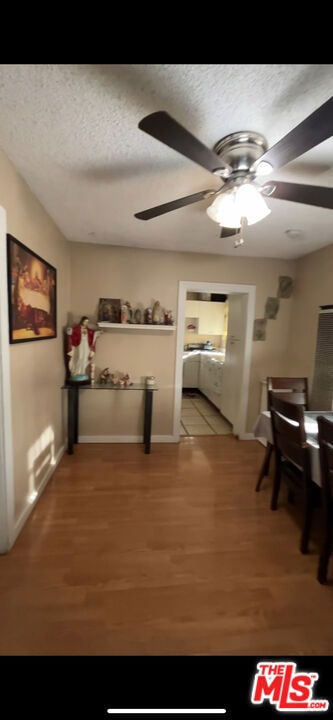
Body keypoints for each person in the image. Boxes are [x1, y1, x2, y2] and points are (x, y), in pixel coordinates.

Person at [66, 316, 101, 382]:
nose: (86, 323)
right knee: (80, 357)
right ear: (82, 321)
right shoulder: (77, 329)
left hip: (86, 345)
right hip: (79, 345)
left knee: (85, 358)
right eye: (85, 321)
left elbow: (93, 334)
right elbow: (71, 333)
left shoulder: (88, 330)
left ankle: (82, 372)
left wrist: (97, 333)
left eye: (87, 322)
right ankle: (75, 372)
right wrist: (69, 331)